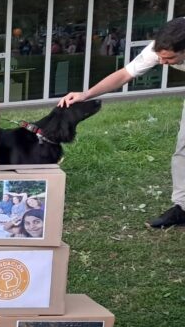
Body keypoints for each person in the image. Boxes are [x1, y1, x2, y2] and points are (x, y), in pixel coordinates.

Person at [59, 17, 185, 228]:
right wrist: (86, 94)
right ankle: (182, 208)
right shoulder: (158, 49)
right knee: (183, 149)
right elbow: (124, 74)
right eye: (161, 58)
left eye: (170, 59)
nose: (163, 63)